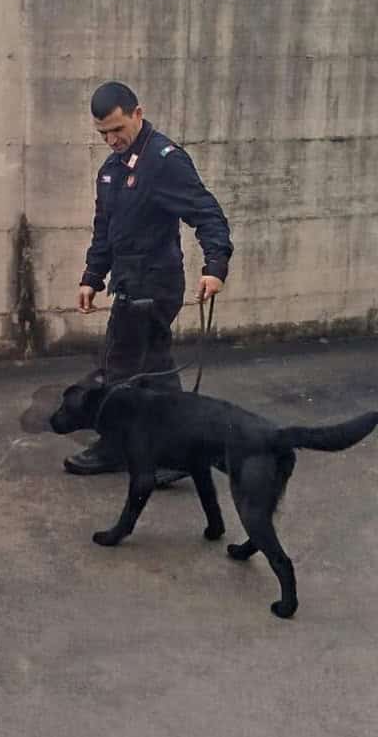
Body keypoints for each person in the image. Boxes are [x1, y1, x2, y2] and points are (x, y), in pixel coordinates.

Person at [65, 82, 233, 481]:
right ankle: (181, 452)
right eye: (103, 133)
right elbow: (104, 230)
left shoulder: (164, 160)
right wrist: (92, 277)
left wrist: (215, 265)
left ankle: (116, 448)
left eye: (117, 129)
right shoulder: (110, 172)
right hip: (128, 280)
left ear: (137, 113)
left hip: (155, 284)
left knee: (121, 367)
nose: (111, 139)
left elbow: (206, 213)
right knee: (154, 367)